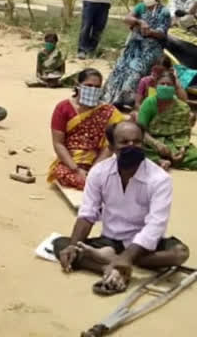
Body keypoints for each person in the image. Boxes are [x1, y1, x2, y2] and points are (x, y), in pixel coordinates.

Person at [53, 121, 189, 295]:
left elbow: (155, 226)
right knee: (61, 244)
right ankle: (109, 268)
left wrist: (126, 257)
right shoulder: (99, 172)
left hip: (143, 246)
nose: (131, 146)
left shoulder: (160, 179)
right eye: (124, 142)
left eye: (137, 142)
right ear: (112, 147)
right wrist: (73, 246)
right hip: (111, 240)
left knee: (180, 253)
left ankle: (112, 261)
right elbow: (87, 214)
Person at [48, 68, 125, 190]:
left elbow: (109, 145)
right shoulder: (63, 108)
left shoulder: (108, 112)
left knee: (116, 178)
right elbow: (58, 144)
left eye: (97, 87)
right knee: (63, 173)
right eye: (88, 85)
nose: (93, 90)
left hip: (98, 162)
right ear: (78, 85)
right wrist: (76, 169)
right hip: (71, 161)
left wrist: (95, 170)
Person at [102, 0, 171, 105]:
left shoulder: (164, 12)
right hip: (135, 45)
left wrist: (150, 32)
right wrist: (140, 21)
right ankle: (112, 97)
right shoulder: (141, 7)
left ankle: (129, 99)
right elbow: (127, 18)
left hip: (152, 47)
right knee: (120, 67)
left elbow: (162, 33)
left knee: (136, 69)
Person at [138, 71, 197, 170]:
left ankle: (169, 159)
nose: (165, 87)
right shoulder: (149, 103)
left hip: (174, 144)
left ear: (174, 88)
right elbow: (140, 130)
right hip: (151, 142)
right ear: (156, 86)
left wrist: (181, 150)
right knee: (134, 149)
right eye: (162, 84)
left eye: (169, 84)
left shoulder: (182, 107)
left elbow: (184, 134)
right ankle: (159, 160)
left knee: (193, 155)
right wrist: (156, 144)